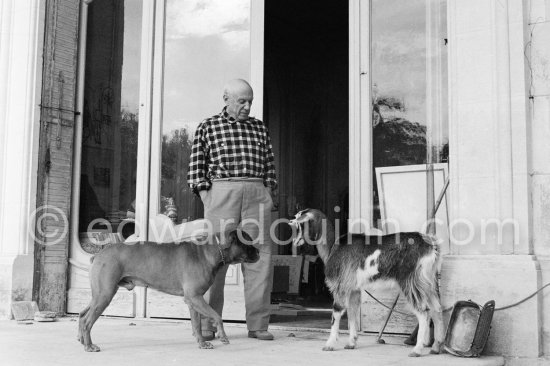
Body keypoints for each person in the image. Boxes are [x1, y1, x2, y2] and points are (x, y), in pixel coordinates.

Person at [187, 79, 277, 341]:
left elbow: (270, 164)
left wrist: (268, 193)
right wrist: (207, 196)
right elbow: (196, 167)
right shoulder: (208, 126)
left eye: (250, 101)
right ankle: (207, 325)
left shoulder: (259, 128)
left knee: (260, 258)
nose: (247, 106)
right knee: (213, 259)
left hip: (256, 194)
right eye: (242, 101)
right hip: (221, 193)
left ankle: (258, 325)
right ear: (226, 98)